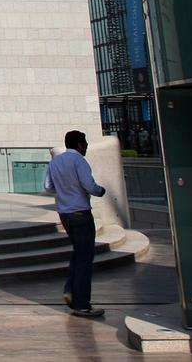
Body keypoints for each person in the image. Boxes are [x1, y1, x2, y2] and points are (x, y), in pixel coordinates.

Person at [45, 130, 107, 317]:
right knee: (85, 258)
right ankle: (82, 303)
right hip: (80, 212)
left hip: (64, 214)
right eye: (85, 143)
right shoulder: (79, 161)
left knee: (78, 253)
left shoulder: (55, 162)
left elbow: (48, 186)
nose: (86, 146)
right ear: (79, 145)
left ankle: (70, 290)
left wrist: (64, 192)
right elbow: (89, 186)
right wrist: (100, 191)